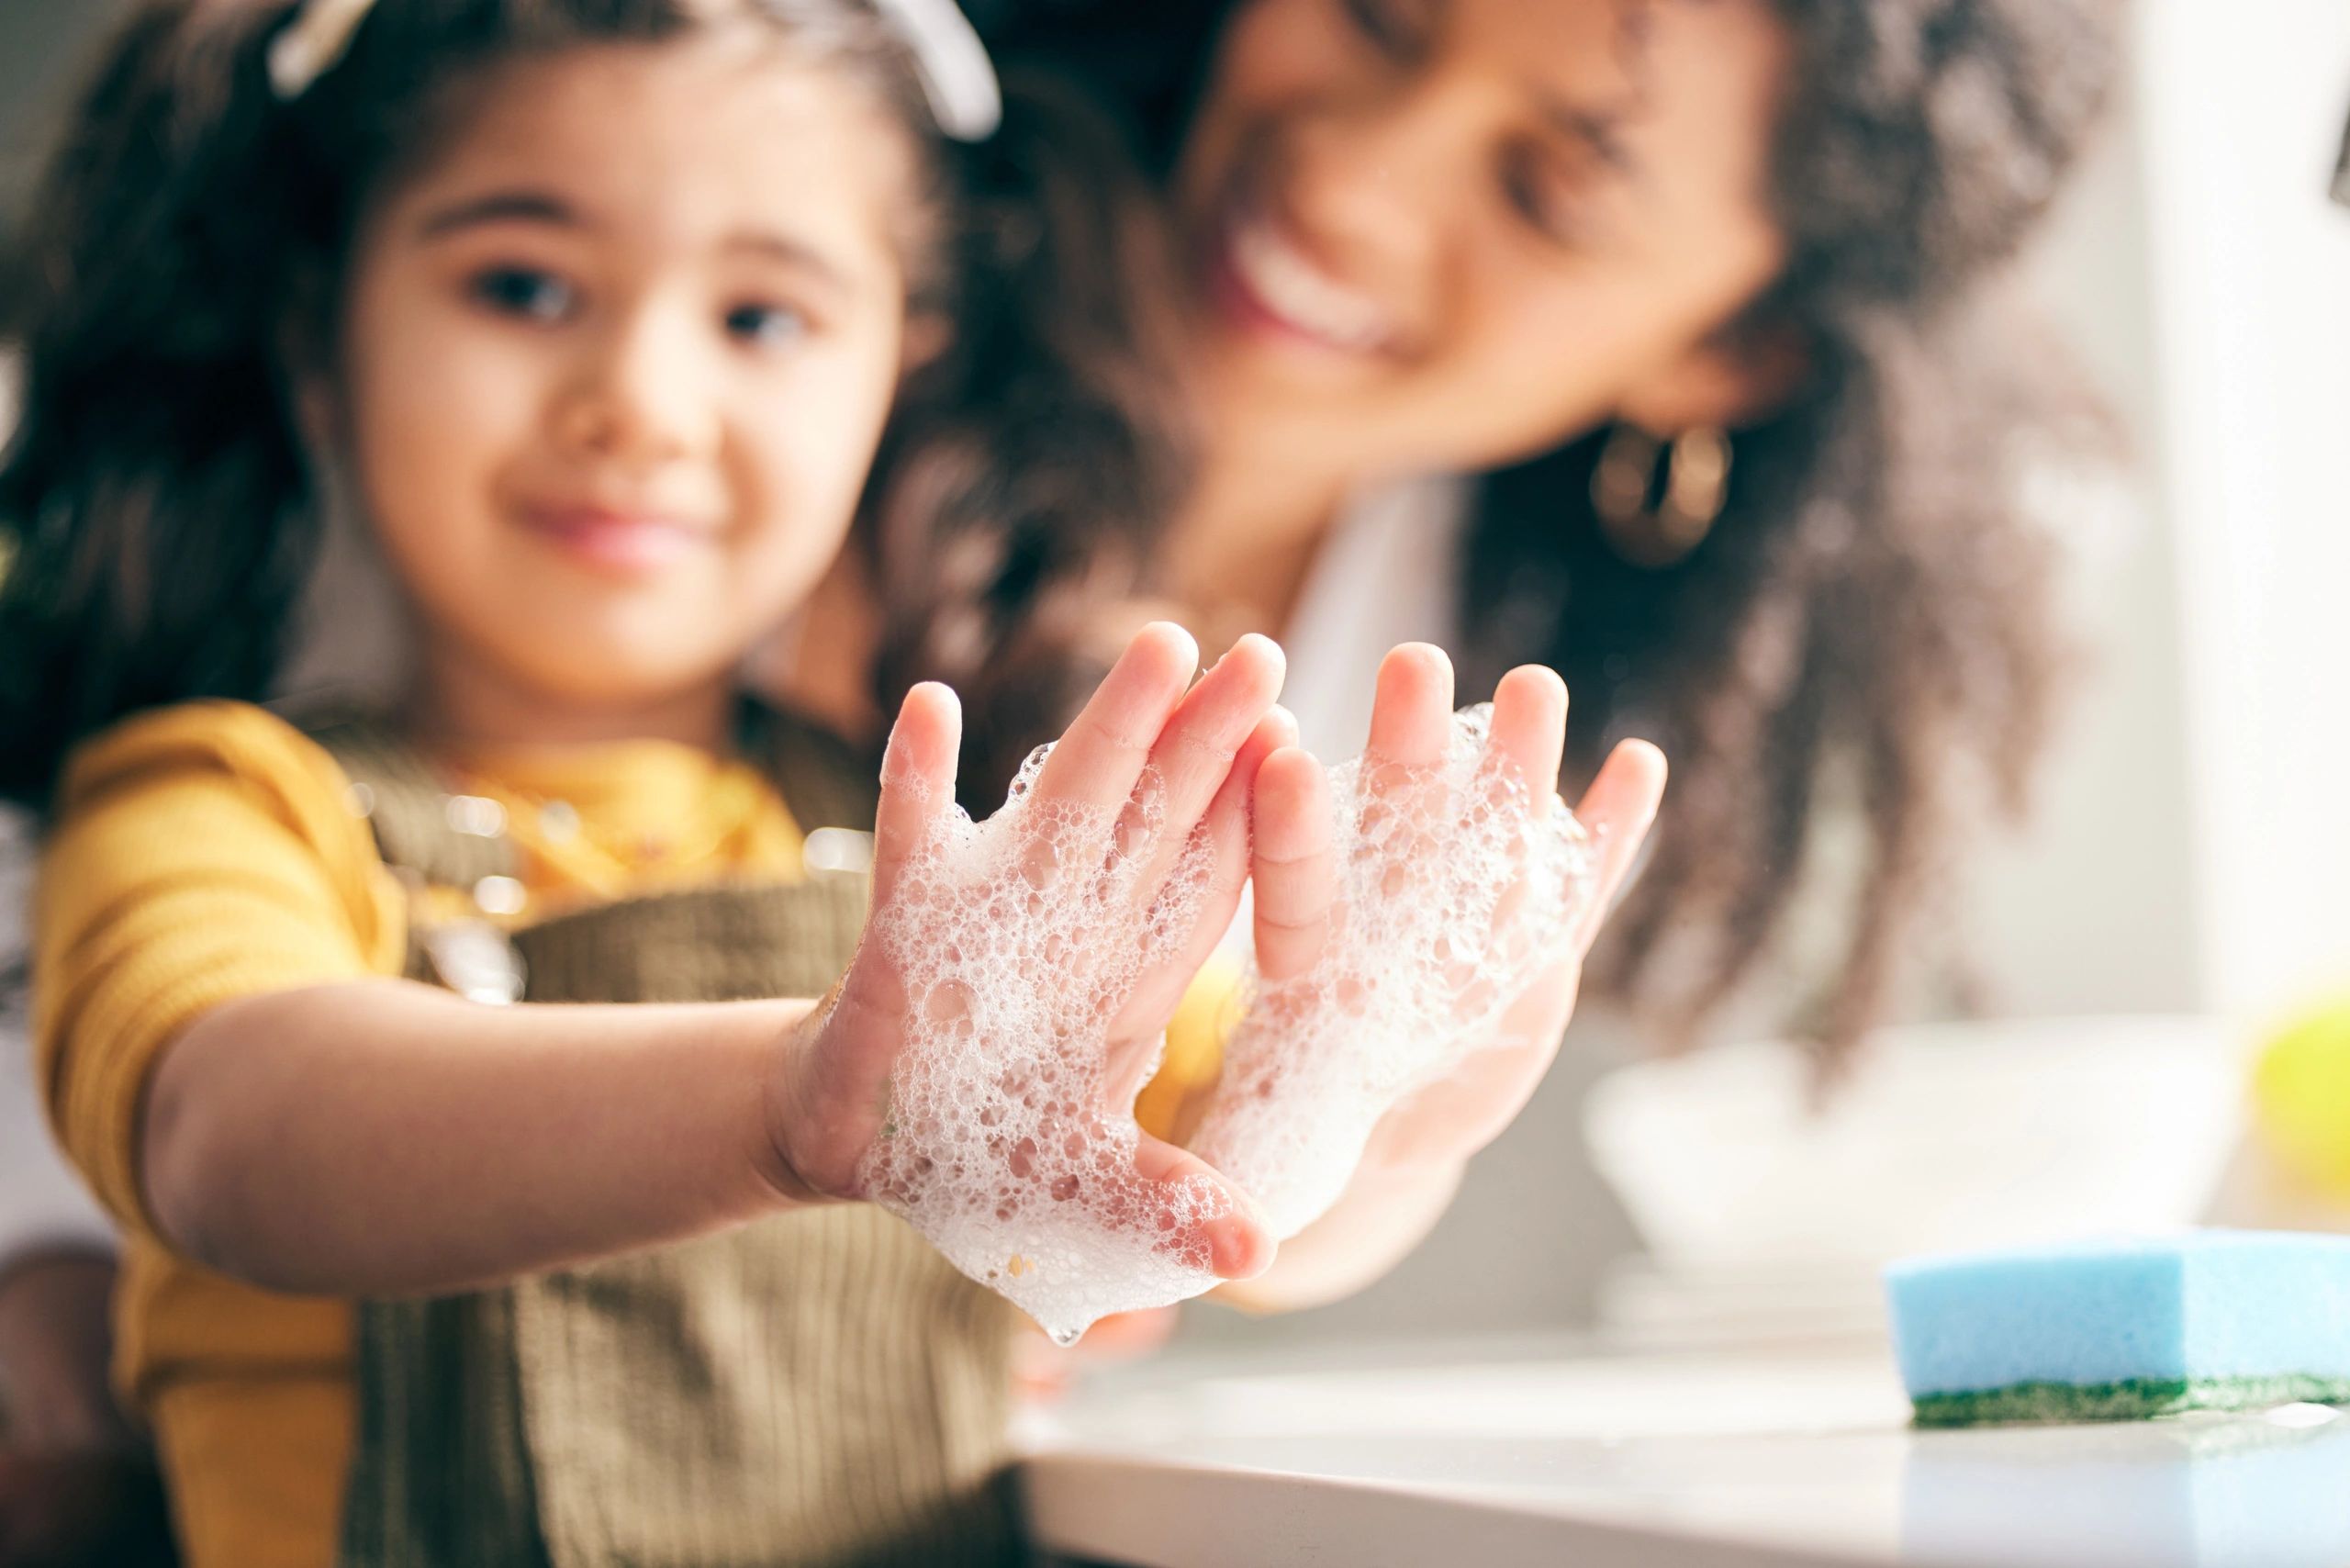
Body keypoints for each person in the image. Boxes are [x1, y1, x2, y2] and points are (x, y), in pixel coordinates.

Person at [0, 3, 1663, 1564]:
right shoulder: (218, 804)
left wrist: (1371, 1125)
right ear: (319, 335)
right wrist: (794, 1108)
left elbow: (1226, 1210)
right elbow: (236, 1142)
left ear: (898, 374)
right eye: (520, 285)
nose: (639, 404)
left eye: (762, 319)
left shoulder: (953, 872)